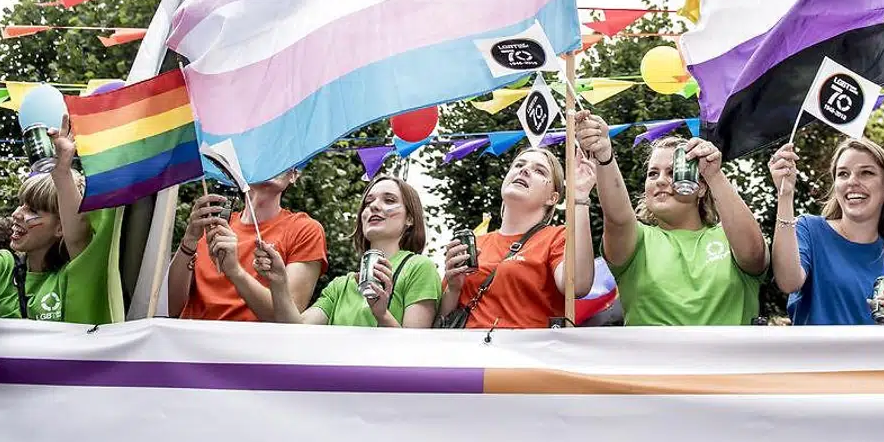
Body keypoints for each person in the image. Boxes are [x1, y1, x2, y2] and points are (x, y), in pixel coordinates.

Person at [578, 113, 768, 325]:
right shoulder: (638, 241)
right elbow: (617, 219)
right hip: (653, 358)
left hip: (726, 358)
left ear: (701, 187)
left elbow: (754, 254)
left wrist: (714, 175)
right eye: (652, 174)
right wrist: (605, 155)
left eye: (672, 172)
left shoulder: (729, 237)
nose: (660, 181)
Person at [0, 124, 120, 323]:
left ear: (61, 227)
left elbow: (78, 236)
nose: (17, 214)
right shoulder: (2, 264)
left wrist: (62, 173)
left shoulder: (80, 272)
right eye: (20, 205)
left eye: (32, 210)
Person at [770, 137, 884, 325]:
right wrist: (785, 194)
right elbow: (788, 282)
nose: (852, 181)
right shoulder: (810, 230)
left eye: (866, 173)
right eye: (843, 174)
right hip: (819, 355)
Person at [438, 146, 595, 329]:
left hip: (527, 354)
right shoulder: (476, 243)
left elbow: (578, 285)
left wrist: (580, 196)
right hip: (467, 353)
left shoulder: (556, 237)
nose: (524, 169)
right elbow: (441, 323)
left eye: (539, 170)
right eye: (519, 164)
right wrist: (453, 288)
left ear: (552, 198)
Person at [255, 175, 440, 328]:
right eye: (368, 202)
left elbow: (413, 352)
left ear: (410, 218)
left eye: (389, 200)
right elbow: (295, 329)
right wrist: (279, 282)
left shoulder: (419, 268)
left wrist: (382, 314)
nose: (374, 206)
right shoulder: (340, 286)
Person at [169, 169, 327, 322]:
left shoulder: (304, 230)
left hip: (251, 346)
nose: (272, 162)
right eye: (263, 155)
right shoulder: (212, 225)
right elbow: (172, 307)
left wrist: (236, 272)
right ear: (241, 169)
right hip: (190, 342)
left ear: (294, 174)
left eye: (282, 157)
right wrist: (189, 240)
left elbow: (287, 319)